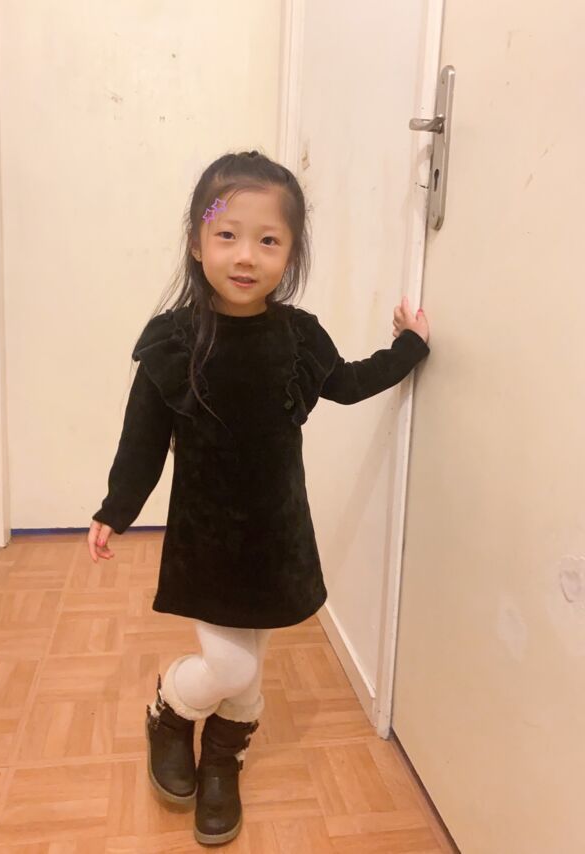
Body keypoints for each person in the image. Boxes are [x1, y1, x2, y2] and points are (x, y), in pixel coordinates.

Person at [87, 149, 431, 846]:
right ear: (197, 242)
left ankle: (224, 757)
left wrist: (409, 348)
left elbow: (348, 383)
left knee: (249, 667)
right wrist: (115, 510)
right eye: (227, 234)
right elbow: (143, 440)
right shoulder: (175, 341)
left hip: (276, 537)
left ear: (291, 252)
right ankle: (169, 712)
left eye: (268, 239)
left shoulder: (298, 337)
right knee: (230, 663)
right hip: (206, 540)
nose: (246, 255)